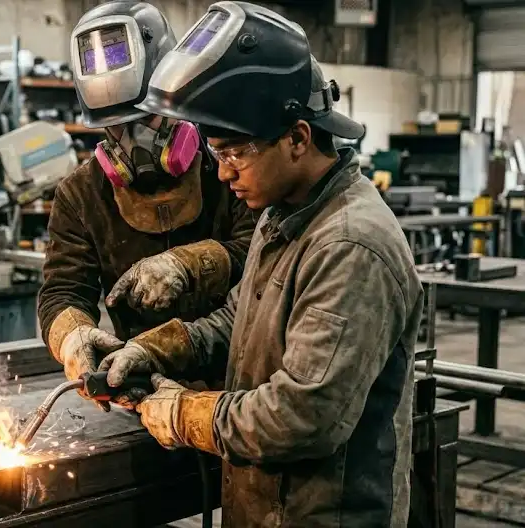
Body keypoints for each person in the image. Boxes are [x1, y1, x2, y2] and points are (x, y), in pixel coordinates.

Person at [99, 3, 424, 526]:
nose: (223, 174)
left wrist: (185, 414)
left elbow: (303, 416)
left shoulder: (350, 246)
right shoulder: (281, 213)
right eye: (216, 154)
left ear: (297, 138)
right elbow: (242, 319)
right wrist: (158, 348)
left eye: (235, 154)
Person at [38, 1, 257, 408]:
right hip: (143, 389)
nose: (133, 141)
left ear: (172, 98)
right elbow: (63, 291)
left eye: (145, 119)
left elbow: (264, 259)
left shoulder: (227, 165)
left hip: (239, 386)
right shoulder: (81, 194)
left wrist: (189, 265)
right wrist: (73, 336)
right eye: (116, 127)